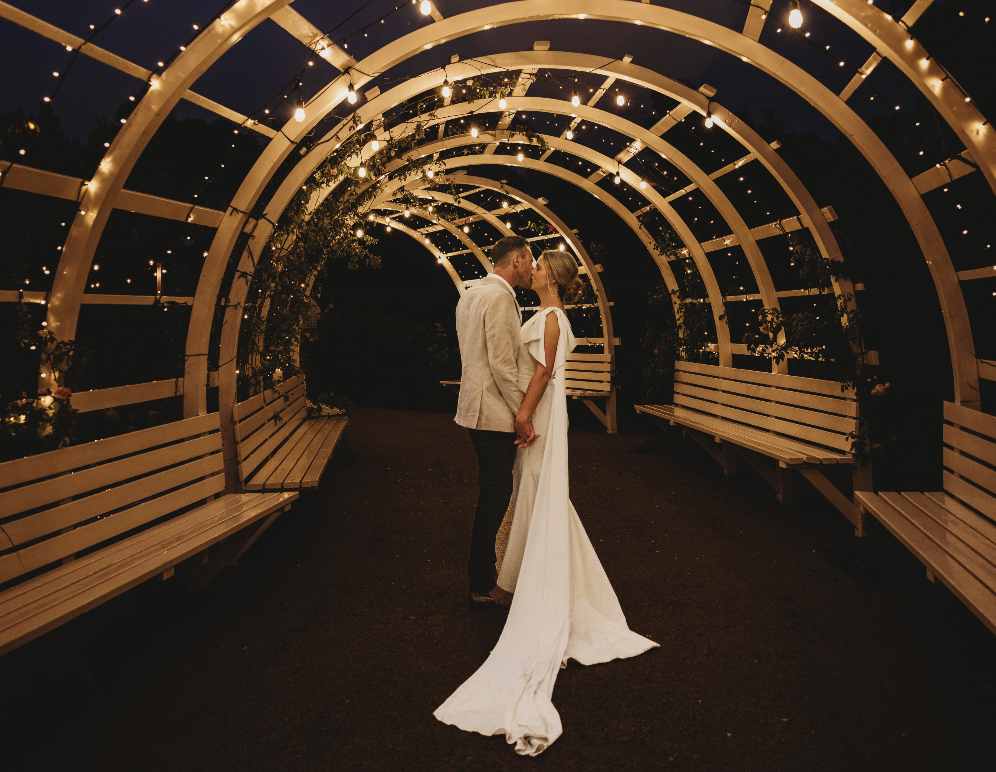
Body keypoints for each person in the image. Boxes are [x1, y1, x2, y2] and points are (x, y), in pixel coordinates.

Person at [435, 251, 659, 755]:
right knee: (533, 494)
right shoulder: (535, 312)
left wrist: (523, 415)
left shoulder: (551, 318)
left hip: (536, 414)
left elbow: (540, 373)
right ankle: (520, 575)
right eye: (529, 263)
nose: (531, 269)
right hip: (533, 413)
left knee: (532, 491)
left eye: (538, 267)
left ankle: (528, 582)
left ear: (552, 278)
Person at [453, 235, 537, 610]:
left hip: (474, 408)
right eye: (530, 260)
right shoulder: (501, 298)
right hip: (494, 414)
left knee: (493, 493)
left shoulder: (470, 293)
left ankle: (485, 577)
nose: (533, 268)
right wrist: (523, 415)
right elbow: (502, 366)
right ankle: (483, 582)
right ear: (516, 259)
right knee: (495, 496)